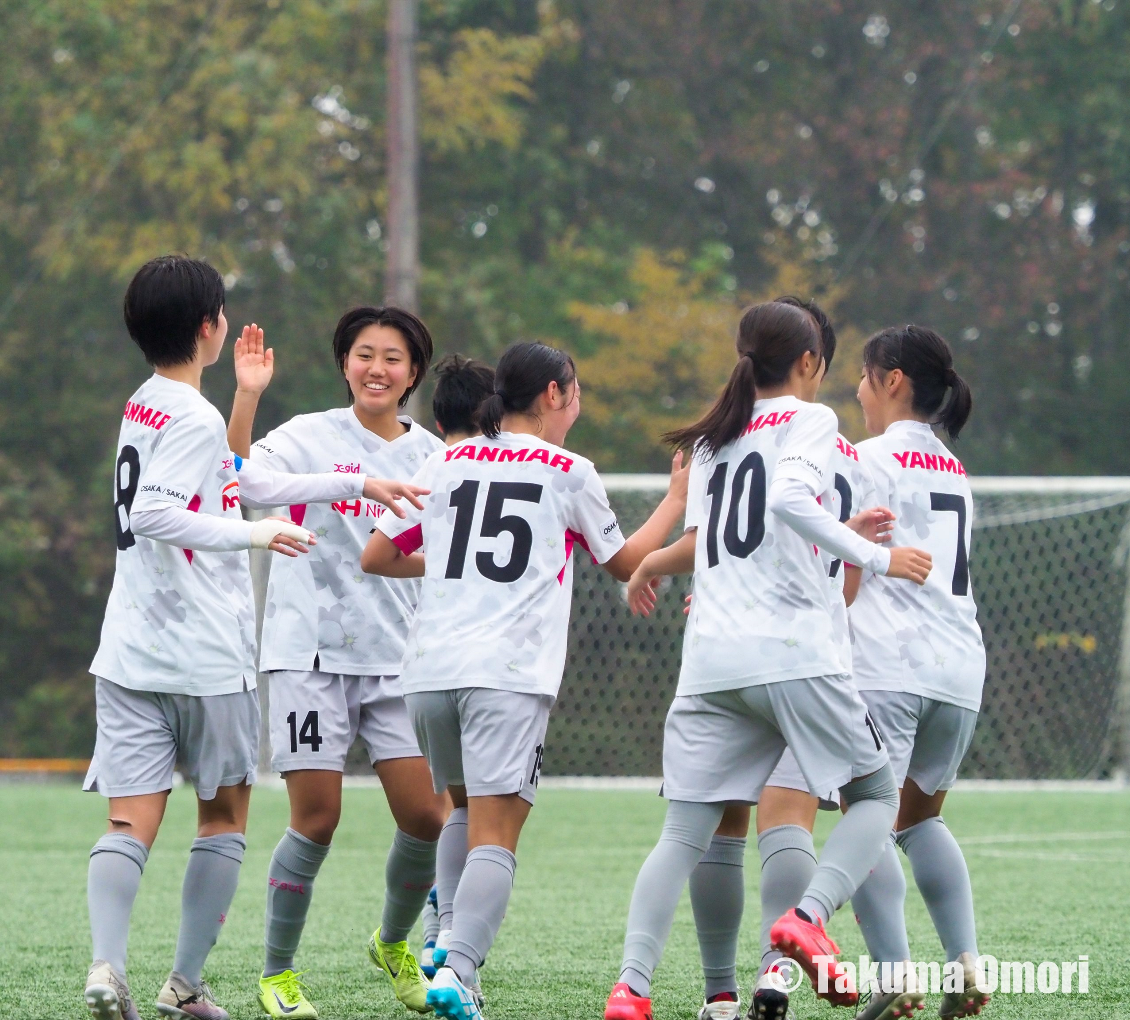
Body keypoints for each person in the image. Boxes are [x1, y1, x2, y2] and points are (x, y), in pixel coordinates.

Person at [82, 256, 428, 1020]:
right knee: (224, 814)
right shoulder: (196, 415)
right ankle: (186, 984)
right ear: (210, 327)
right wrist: (255, 535)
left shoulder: (143, 404)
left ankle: (108, 966)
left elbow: (243, 482)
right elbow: (162, 512)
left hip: (131, 647)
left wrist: (354, 485)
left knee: (128, 819)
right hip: (206, 648)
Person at [603, 301, 935, 1020]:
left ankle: (632, 988)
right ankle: (805, 924)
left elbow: (721, 537)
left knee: (685, 834)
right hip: (797, 654)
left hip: (712, 662)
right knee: (875, 795)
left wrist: (649, 563)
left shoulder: (713, 438)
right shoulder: (817, 426)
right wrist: (875, 553)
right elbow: (789, 508)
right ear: (811, 361)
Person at [363, 341, 691, 1020]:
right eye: (575, 394)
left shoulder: (443, 459)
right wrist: (677, 499)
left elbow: (376, 553)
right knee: (496, 832)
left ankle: (445, 944)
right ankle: (457, 968)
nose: (576, 407)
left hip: (428, 671)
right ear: (551, 394)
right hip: (506, 675)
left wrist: (459, 574)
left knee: (462, 809)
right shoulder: (569, 471)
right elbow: (625, 559)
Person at [225, 306, 448, 1019]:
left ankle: (392, 943)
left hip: (400, 662)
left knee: (427, 819)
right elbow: (238, 479)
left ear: (414, 372)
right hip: (308, 654)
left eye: (392, 357)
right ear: (344, 363)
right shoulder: (307, 436)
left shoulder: (437, 454)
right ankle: (277, 974)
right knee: (317, 821)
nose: (376, 368)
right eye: (363, 354)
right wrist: (248, 395)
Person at [844, 326, 989, 1020]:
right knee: (920, 820)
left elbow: (833, 552)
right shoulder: (954, 468)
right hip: (959, 664)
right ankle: (965, 960)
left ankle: (894, 973)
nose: (858, 389)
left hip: (886, 661)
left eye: (864, 376)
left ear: (893, 380)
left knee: (865, 817)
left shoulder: (865, 458)